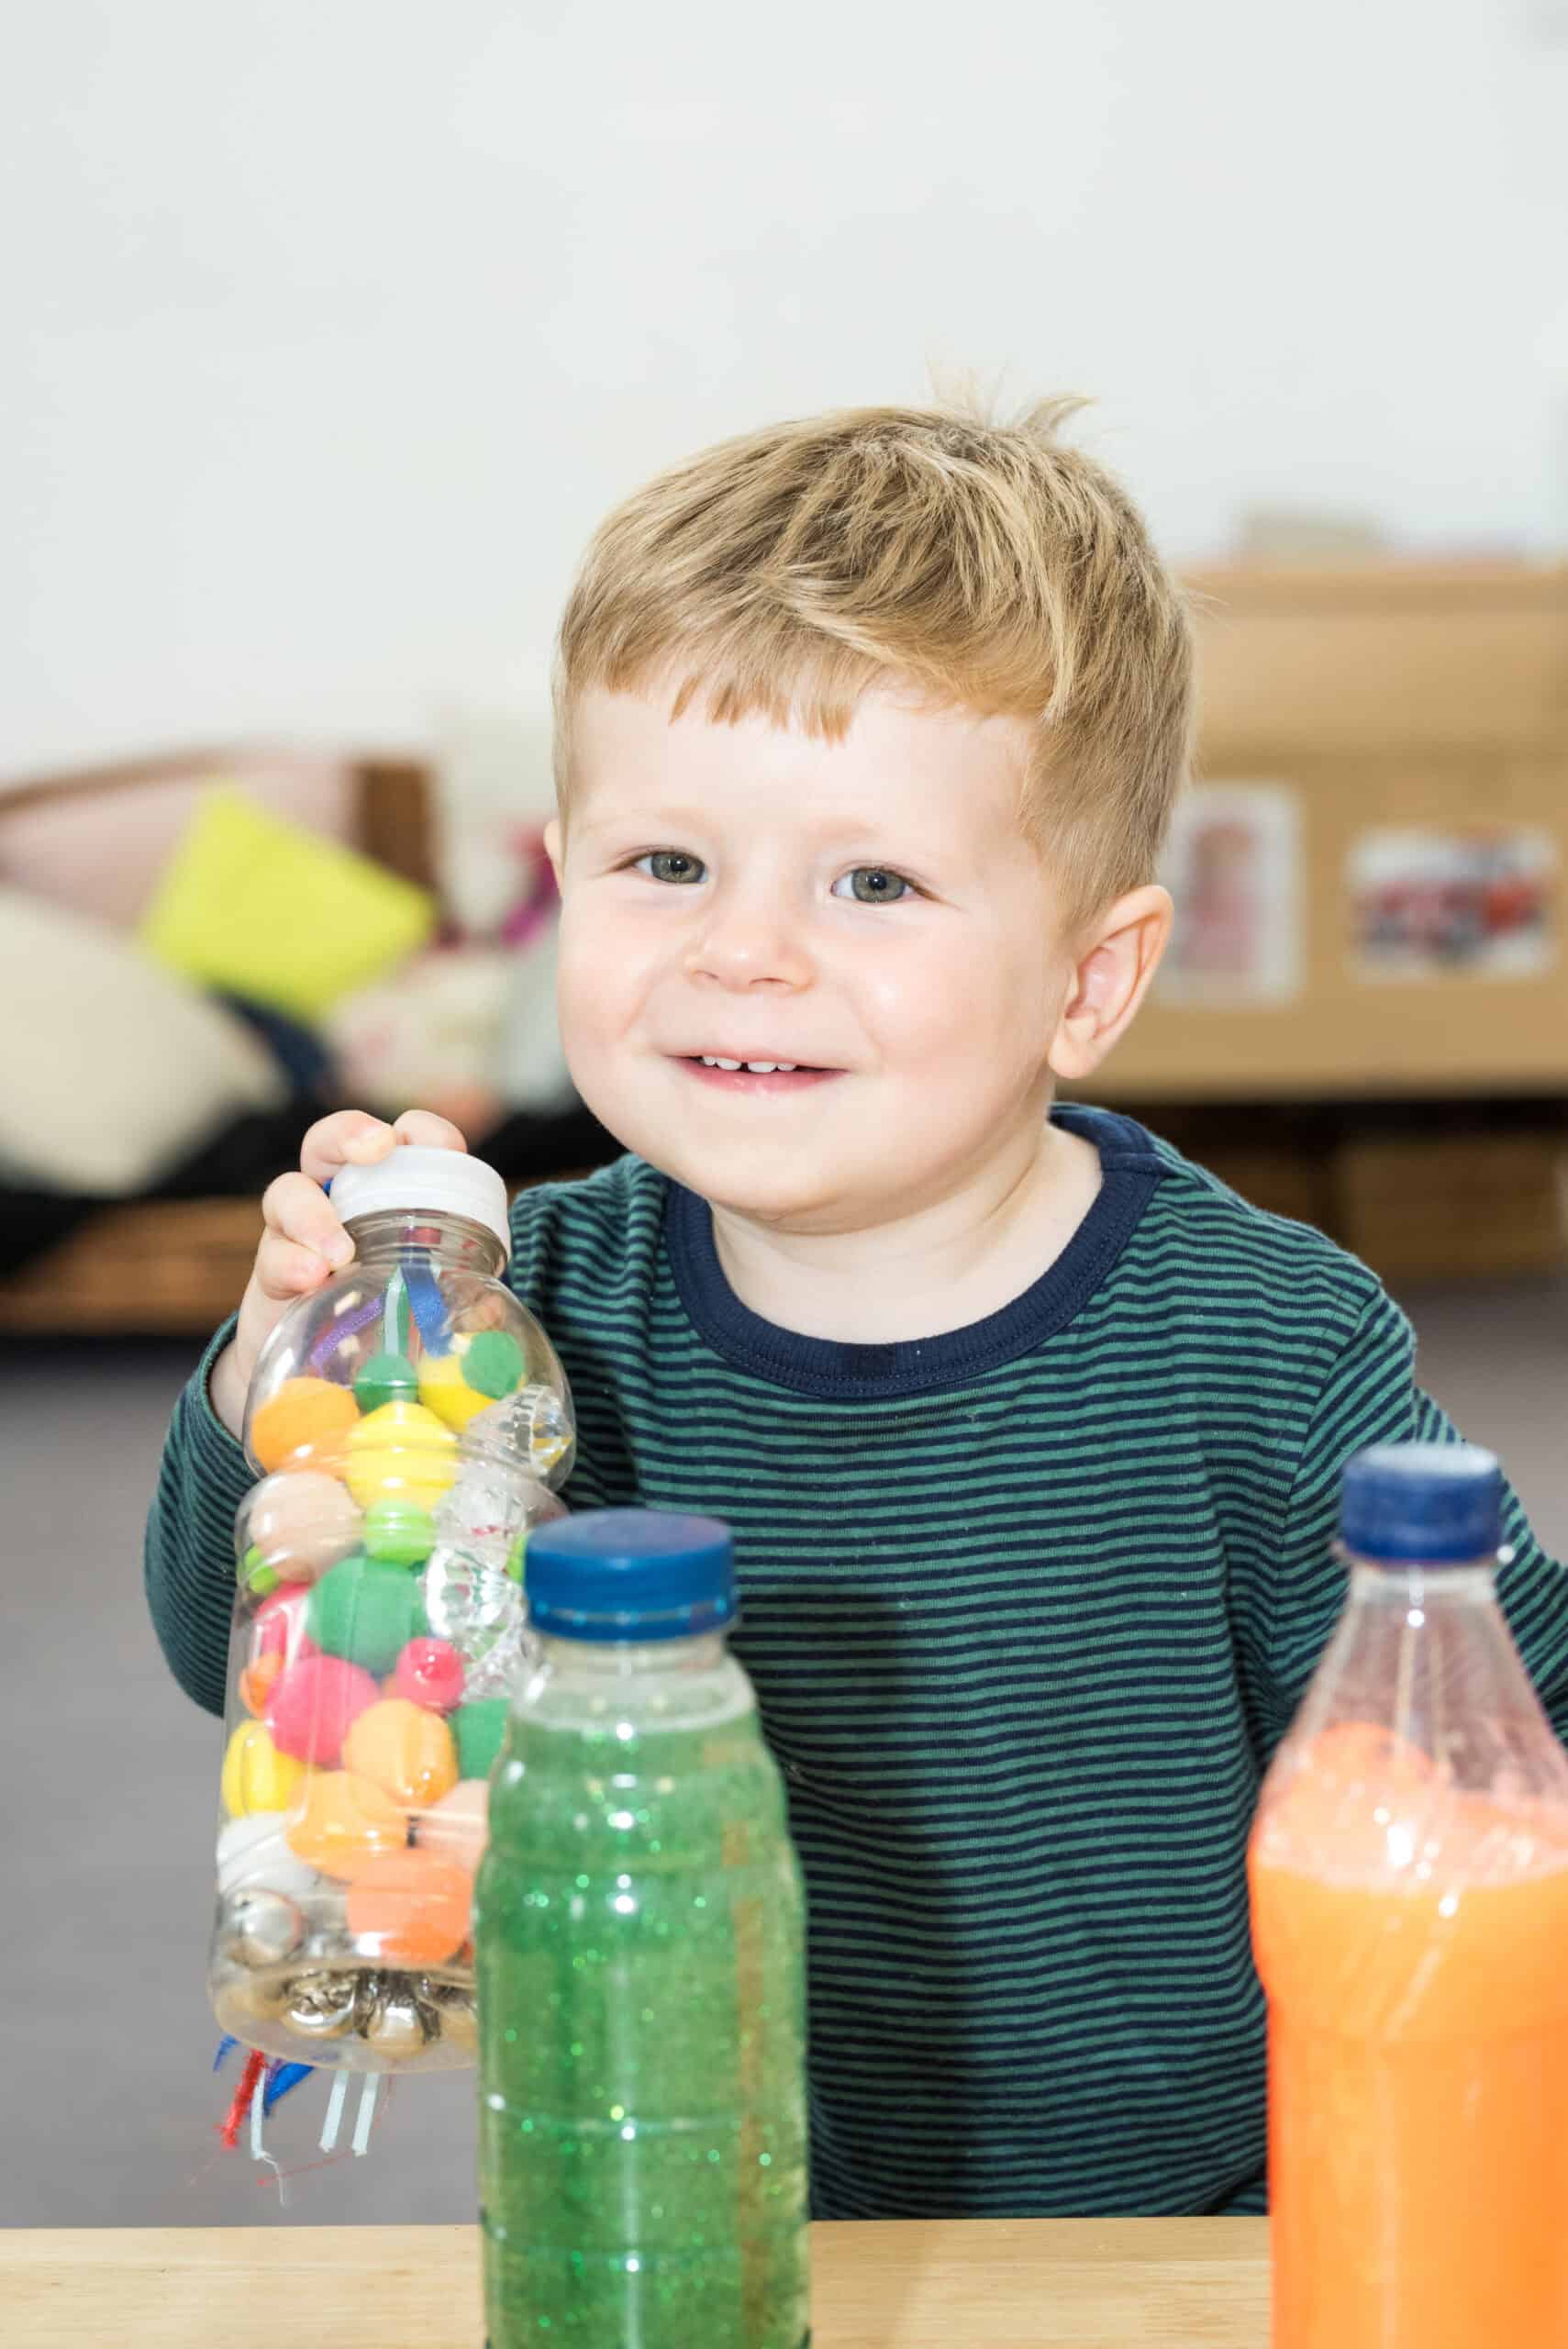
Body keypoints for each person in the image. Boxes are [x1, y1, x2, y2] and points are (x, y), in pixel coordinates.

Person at [147, 397, 1568, 2219]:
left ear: (1090, 974)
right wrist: (285, 1376)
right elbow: (248, 1657)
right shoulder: (521, 1312)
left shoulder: (1268, 1339)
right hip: (693, 2184)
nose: (744, 947)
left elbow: (1504, 1737)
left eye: (874, 880)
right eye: (667, 864)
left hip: (1215, 2213)